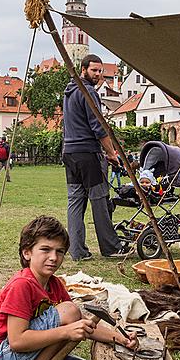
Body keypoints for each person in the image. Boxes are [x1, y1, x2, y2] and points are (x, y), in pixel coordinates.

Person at [0, 215, 137, 360]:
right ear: (27, 253)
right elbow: (17, 341)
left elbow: (81, 322)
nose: (53, 258)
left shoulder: (54, 284)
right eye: (45, 250)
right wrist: (65, 332)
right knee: (70, 311)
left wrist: (120, 339)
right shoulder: (22, 285)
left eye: (60, 251)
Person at [62, 54, 129, 260]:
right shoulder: (87, 91)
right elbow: (98, 127)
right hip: (88, 154)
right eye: (94, 70)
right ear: (83, 70)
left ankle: (77, 251)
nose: (98, 75)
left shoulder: (69, 90)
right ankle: (111, 248)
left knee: (75, 201)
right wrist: (111, 153)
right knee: (99, 200)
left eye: (101, 71)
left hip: (69, 152)